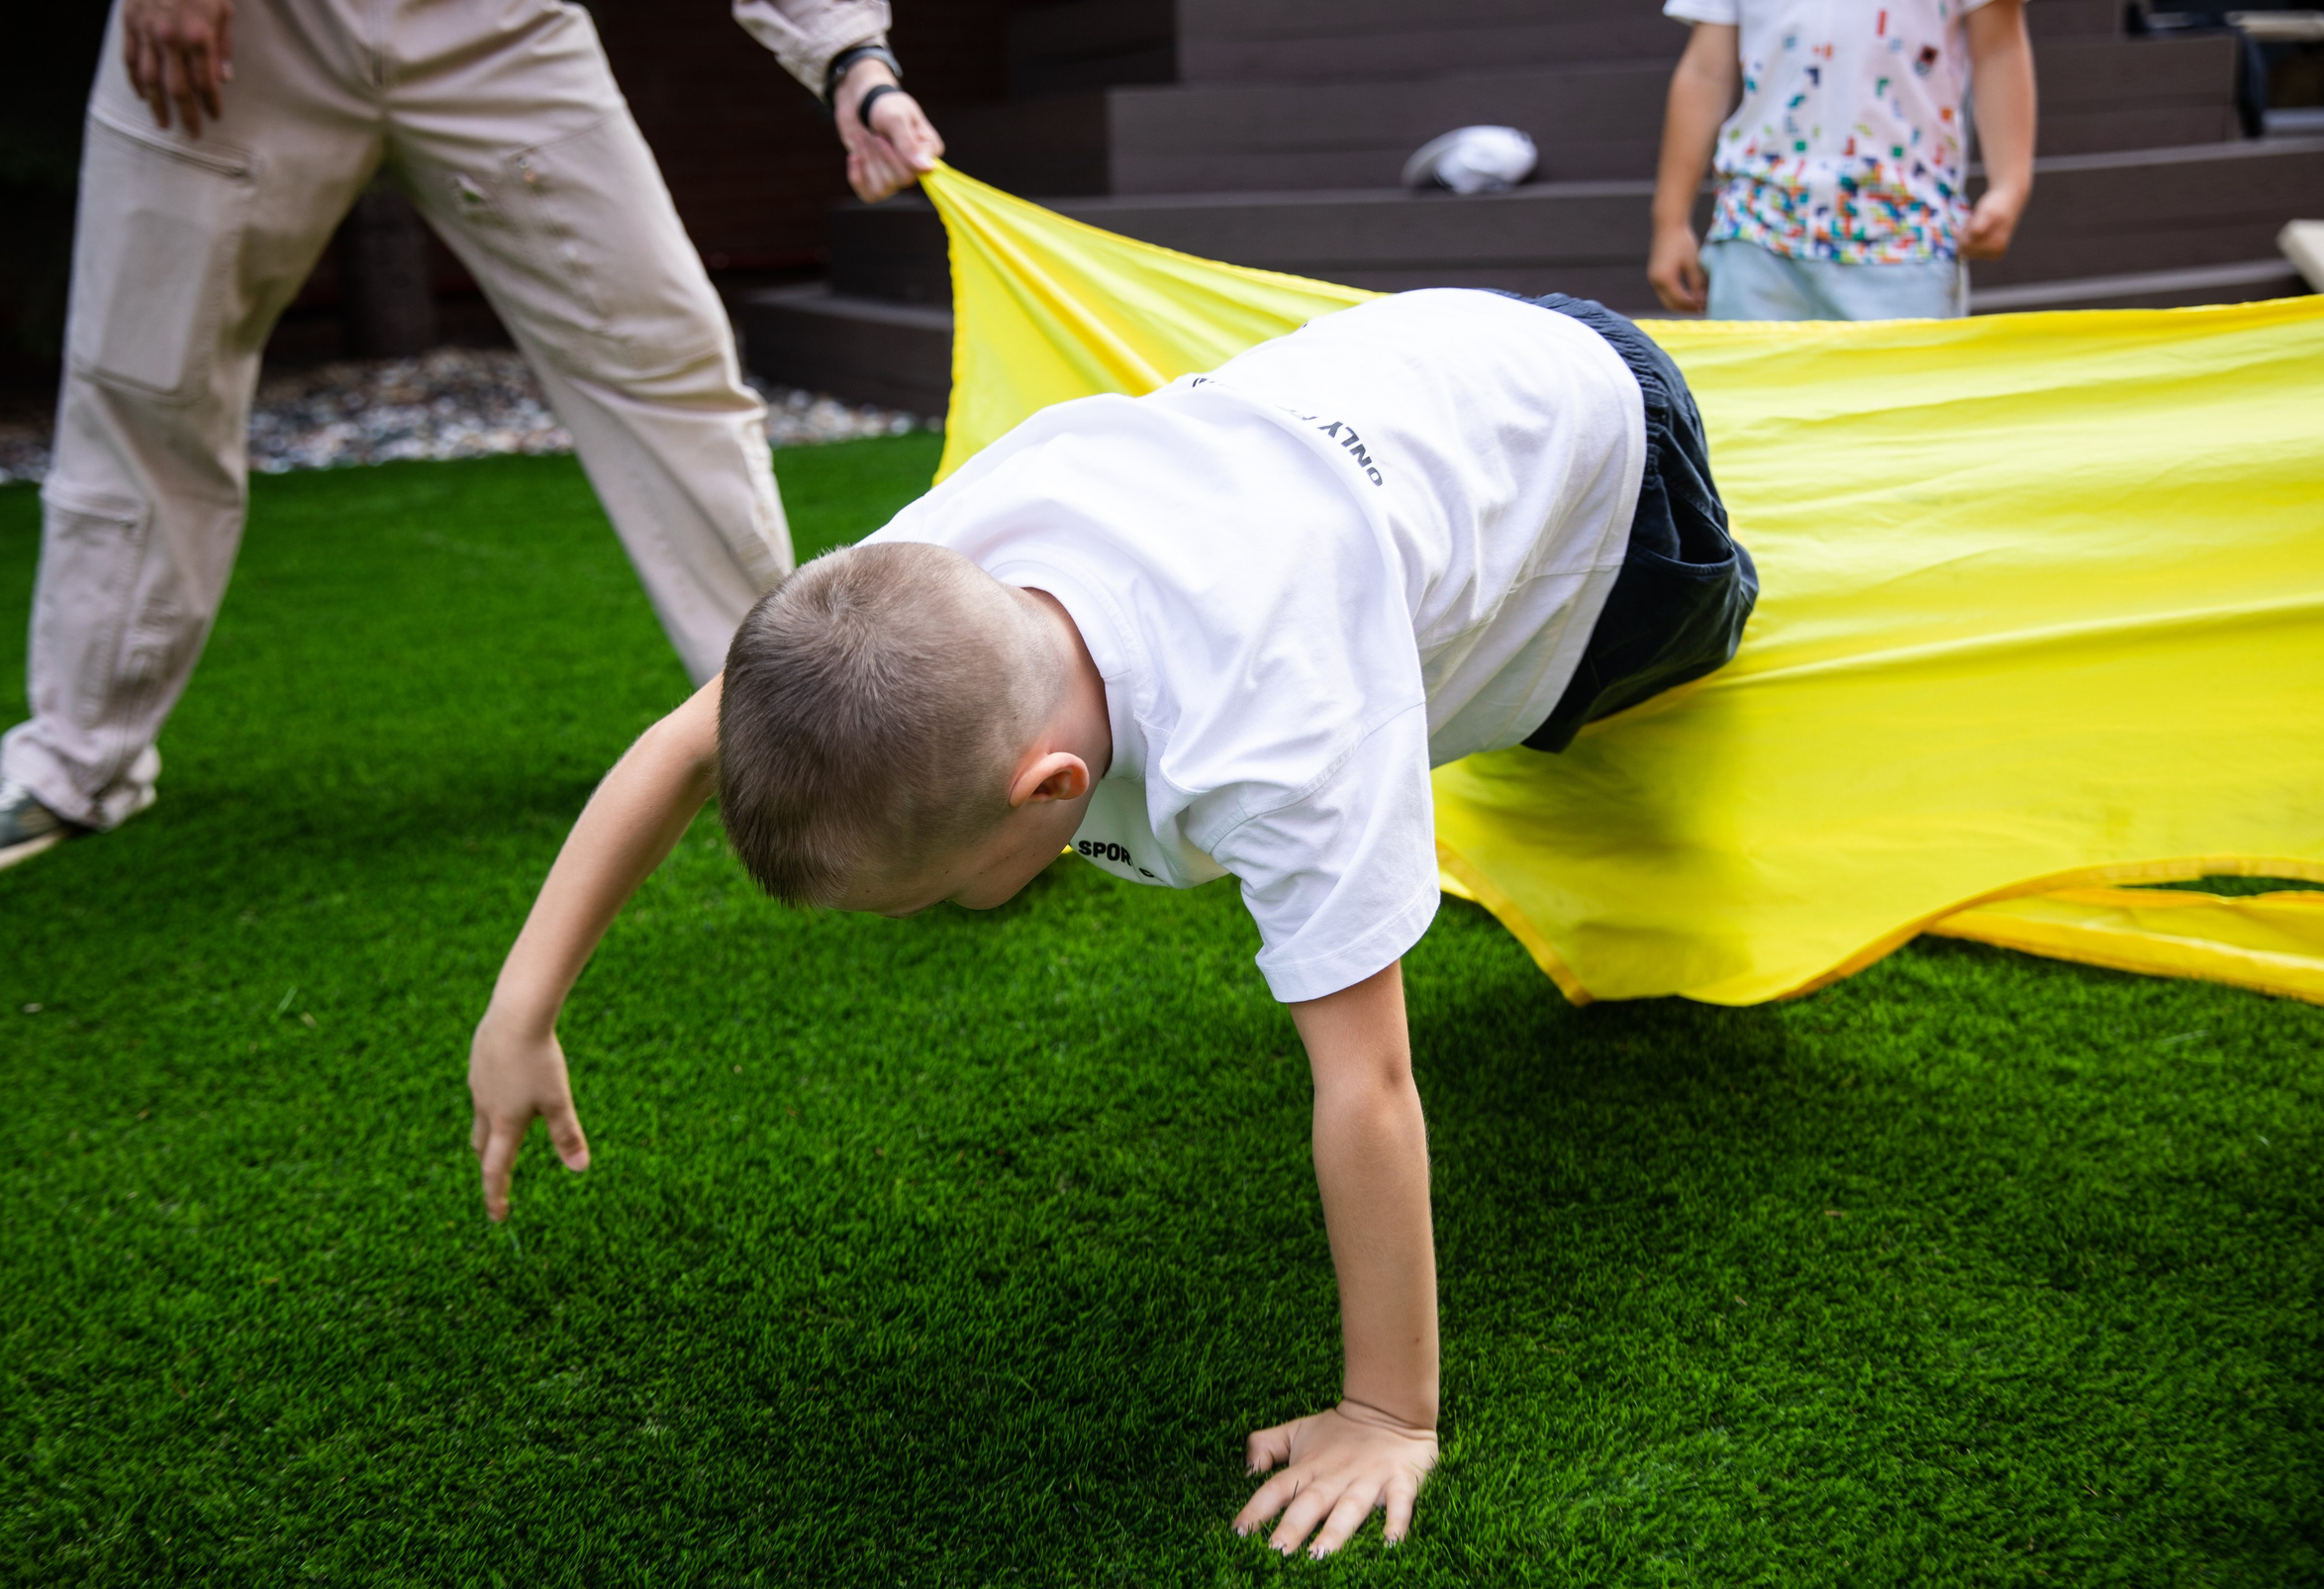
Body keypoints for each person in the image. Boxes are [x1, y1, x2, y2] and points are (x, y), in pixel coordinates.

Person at [464, 288, 1759, 1556]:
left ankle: (1716, 597)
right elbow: (682, 743)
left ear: (1053, 791)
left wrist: (1384, 1412)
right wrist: (523, 1007)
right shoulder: (931, 579)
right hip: (1418, 364)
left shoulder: (1277, 726)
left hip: (1607, 445)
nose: (944, 913)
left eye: (936, 891)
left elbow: (1368, 1082)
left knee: (1659, 669)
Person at [0, 0, 945, 876]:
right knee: (145, 381)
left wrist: (851, 58)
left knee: (662, 353)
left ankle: (784, 731)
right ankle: (73, 761)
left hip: (492, 27)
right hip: (244, 34)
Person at [1648, 0, 2036, 320]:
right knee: (1756, 407)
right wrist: (1670, 219)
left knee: (1899, 410)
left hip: (1904, 241)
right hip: (1757, 233)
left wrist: (2010, 186)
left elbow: (1998, 50)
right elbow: (1705, 72)